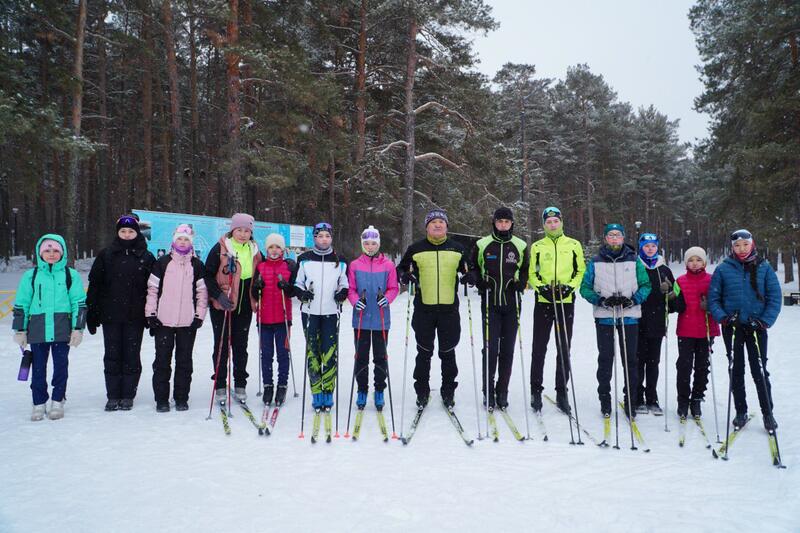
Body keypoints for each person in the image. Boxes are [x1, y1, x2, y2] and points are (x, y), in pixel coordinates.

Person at [708, 229, 782, 430]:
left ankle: (768, 413)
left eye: (745, 245)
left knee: (759, 370)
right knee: (736, 369)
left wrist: (764, 321)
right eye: (737, 246)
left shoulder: (764, 267)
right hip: (733, 328)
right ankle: (741, 411)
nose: (741, 249)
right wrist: (723, 317)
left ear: (752, 244)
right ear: (732, 247)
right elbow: (714, 298)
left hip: (756, 327)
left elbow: (775, 298)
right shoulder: (723, 269)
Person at [396, 209, 467, 409]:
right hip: (424, 310)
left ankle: (448, 391)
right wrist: (404, 275)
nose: (437, 225)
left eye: (441, 222)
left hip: (449, 310)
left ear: (446, 226)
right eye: (433, 222)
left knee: (448, 352)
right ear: (427, 227)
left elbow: (469, 269)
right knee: (424, 352)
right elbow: (401, 268)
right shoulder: (416, 249)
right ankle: (422, 391)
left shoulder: (457, 249)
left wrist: (471, 276)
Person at [580, 223, 651, 419]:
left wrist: (633, 300)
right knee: (605, 359)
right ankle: (605, 400)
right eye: (610, 235)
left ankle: (631, 400)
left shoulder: (634, 260)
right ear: (605, 238)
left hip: (629, 316)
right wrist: (600, 300)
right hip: (605, 317)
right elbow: (585, 287)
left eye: (617, 235)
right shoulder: (596, 261)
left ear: (623, 237)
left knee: (630, 360)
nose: (614, 238)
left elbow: (646, 285)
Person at [12, 234, 87, 421]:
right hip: (37, 330)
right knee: (38, 368)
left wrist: (77, 328)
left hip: (62, 329)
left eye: (55, 250)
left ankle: (58, 400)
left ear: (62, 253)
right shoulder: (31, 276)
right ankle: (38, 402)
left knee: (61, 367)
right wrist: (20, 330)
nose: (51, 254)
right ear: (40, 253)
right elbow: (22, 303)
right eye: (47, 250)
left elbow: (79, 303)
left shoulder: (71, 275)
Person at [86, 214, 156, 411]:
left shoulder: (146, 257)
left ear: (137, 233)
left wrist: (152, 315)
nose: (126, 234)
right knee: (112, 355)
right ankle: (113, 395)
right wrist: (92, 311)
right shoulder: (106, 255)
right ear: (118, 233)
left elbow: (154, 289)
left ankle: (128, 395)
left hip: (136, 316)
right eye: (123, 231)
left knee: (132, 355)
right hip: (111, 316)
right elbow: (95, 285)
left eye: (131, 231)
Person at [465, 207, 529, 409]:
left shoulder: (520, 245)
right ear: (494, 223)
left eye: (506, 222)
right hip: (490, 303)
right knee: (490, 349)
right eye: (499, 221)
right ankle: (488, 391)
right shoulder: (482, 244)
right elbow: (473, 266)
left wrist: (522, 283)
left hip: (512, 304)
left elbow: (525, 269)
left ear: (511, 224)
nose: (503, 225)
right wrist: (477, 280)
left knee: (508, 350)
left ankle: (502, 391)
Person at [527, 206, 585, 414]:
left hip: (565, 301)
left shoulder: (573, 244)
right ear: (544, 224)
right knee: (539, 347)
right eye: (548, 222)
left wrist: (570, 286)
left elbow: (580, 270)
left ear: (561, 222)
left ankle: (562, 391)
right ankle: (536, 390)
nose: (552, 225)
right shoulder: (537, 246)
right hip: (544, 301)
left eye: (555, 221)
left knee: (563, 347)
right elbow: (532, 272)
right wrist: (541, 287)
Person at [146, 224, 208, 412]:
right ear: (174, 241)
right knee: (162, 361)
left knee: (184, 362)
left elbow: (202, 293)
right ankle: (162, 399)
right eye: (179, 239)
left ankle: (181, 398)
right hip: (163, 321)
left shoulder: (197, 265)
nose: (182, 242)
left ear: (191, 243)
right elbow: (152, 290)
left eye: (186, 239)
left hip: (187, 322)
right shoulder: (162, 262)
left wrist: (199, 315)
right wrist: (151, 314)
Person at [204, 213, 263, 404]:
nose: (243, 234)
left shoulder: (255, 250)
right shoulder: (221, 248)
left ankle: (240, 383)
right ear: (232, 230)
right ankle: (220, 384)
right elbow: (207, 275)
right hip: (223, 304)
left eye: (247, 231)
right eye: (239, 230)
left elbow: (262, 273)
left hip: (245, 305)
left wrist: (258, 287)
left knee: (240, 346)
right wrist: (217, 295)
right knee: (221, 345)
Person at [294, 222, 349, 410]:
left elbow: (344, 283)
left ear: (331, 238)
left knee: (329, 353)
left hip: (331, 313)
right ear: (314, 238)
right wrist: (302, 294)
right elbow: (298, 283)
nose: (324, 239)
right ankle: (316, 391)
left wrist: (342, 293)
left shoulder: (340, 260)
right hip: (310, 313)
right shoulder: (304, 259)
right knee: (313, 353)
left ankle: (328, 391)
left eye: (327, 236)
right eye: (320, 236)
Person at [347, 226, 399, 410]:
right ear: (363, 244)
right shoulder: (355, 265)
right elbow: (351, 289)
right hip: (361, 318)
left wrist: (387, 299)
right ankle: (362, 390)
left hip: (380, 319)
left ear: (379, 244)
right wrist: (355, 301)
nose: (370, 246)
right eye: (367, 243)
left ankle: (379, 390)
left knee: (380, 356)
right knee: (361, 356)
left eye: (373, 243)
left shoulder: (388, 265)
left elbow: (394, 288)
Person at [672, 246, 719, 418]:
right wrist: (671, 298)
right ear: (686, 263)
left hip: (706, 329)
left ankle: (697, 398)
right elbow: (674, 305)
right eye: (691, 260)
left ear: (704, 262)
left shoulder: (712, 280)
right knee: (684, 366)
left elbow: (719, 301)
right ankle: (683, 401)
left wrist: (710, 307)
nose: (694, 263)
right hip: (686, 329)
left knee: (702, 366)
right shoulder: (680, 281)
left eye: (698, 260)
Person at [251, 233, 297, 406]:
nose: (274, 250)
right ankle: (268, 386)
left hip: (283, 319)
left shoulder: (288, 267)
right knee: (266, 354)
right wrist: (257, 287)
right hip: (264, 320)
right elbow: (254, 292)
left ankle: (282, 385)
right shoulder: (261, 267)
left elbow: (294, 291)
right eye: (271, 247)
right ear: (266, 249)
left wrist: (287, 287)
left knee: (283, 354)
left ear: (283, 249)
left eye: (278, 247)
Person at [634, 233, 676, 415]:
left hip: (657, 322)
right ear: (641, 248)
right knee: (638, 361)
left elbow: (675, 300)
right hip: (637, 321)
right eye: (646, 246)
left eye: (653, 246)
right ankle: (637, 397)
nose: (650, 249)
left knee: (653, 362)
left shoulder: (664, 270)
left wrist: (669, 294)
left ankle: (652, 397)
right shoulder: (635, 267)